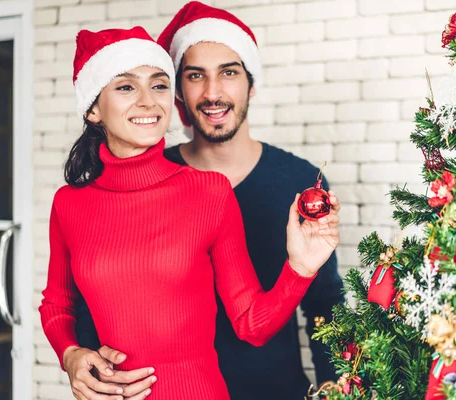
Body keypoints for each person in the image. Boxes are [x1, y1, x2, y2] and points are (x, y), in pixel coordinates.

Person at [39, 25, 341, 400]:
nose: (148, 101)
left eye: (159, 85)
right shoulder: (69, 203)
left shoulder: (209, 192)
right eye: (126, 86)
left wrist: (301, 267)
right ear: (93, 108)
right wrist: (70, 355)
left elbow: (252, 325)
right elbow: (58, 303)